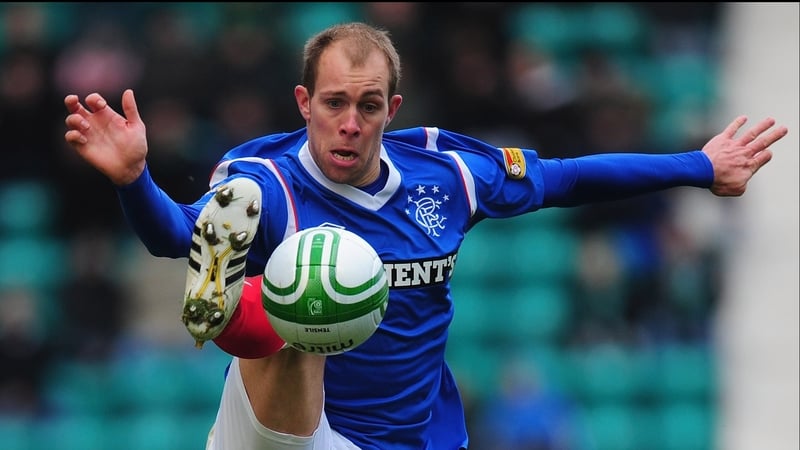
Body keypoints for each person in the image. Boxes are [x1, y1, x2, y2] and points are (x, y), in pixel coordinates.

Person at [63, 22, 787, 450]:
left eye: (368, 106)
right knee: (303, 286)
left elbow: (566, 178)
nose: (350, 122)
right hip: (288, 432)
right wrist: (134, 180)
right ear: (304, 103)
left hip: (413, 435)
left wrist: (701, 165)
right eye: (335, 103)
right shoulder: (256, 182)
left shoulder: (447, 175)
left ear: (392, 108)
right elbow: (174, 241)